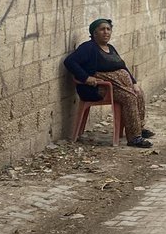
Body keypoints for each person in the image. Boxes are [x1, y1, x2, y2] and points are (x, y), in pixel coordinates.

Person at [64, 18, 156, 148]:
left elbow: (123, 67)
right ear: (94, 33)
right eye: (102, 29)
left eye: (108, 29)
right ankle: (134, 138)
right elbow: (69, 62)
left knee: (138, 93)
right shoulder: (88, 47)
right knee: (129, 97)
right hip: (98, 89)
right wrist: (86, 78)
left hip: (118, 87)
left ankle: (139, 128)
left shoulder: (111, 48)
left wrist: (133, 82)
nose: (106, 32)